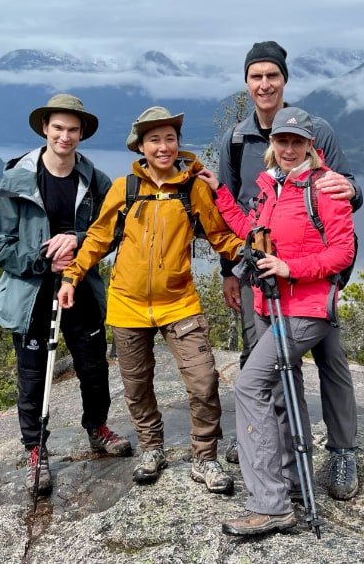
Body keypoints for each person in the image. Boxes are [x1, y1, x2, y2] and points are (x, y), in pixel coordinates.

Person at [57, 106, 244, 494]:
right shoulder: (125, 188)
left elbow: (221, 237)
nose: (164, 147)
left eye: (170, 138)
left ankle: (204, 457)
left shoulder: (193, 189)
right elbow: (97, 239)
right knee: (137, 385)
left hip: (180, 303)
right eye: (155, 140)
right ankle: (152, 448)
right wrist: (72, 276)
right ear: (141, 146)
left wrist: (252, 250)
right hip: (128, 304)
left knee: (204, 380)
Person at [200, 107, 356, 536]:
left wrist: (291, 268)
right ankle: (288, 481)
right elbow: (251, 231)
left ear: (311, 145)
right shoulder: (272, 187)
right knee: (278, 393)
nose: (288, 148)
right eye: (281, 141)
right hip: (272, 307)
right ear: (273, 145)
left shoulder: (325, 189)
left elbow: (342, 252)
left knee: (250, 385)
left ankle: (269, 504)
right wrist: (220, 194)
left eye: (296, 142)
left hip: (304, 310)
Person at [217, 40, 362, 500]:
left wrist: (354, 194)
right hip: (258, 274)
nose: (264, 84)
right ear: (246, 83)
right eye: (256, 76)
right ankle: (273, 444)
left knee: (331, 358)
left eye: (272, 76)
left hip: (314, 278)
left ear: (284, 80)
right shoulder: (237, 139)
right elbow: (235, 205)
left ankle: (342, 453)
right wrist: (229, 271)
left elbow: (344, 190)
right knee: (265, 362)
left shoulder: (316, 130)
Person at [0, 93, 132, 498]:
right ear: (45, 130)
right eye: (58, 128)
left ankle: (97, 429)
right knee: (33, 375)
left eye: (72, 129)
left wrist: (78, 239)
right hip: (33, 294)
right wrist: (41, 261)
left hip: (81, 287)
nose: (65, 136)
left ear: (81, 133)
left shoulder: (96, 181)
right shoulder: (17, 178)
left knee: (93, 367)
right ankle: (36, 450)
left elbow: (114, 230)